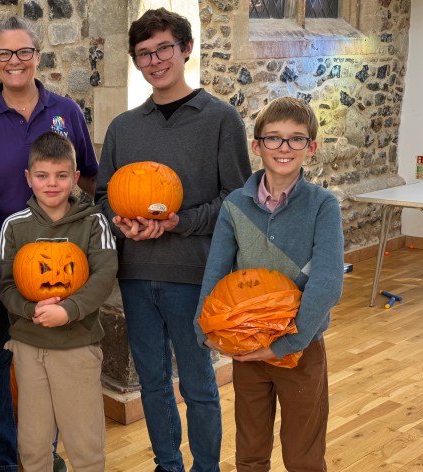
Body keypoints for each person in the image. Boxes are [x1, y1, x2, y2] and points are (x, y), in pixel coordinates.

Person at [95, 8, 252, 472]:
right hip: (137, 275)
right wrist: (122, 222)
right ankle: (168, 464)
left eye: (164, 48)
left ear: (185, 49)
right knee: (153, 382)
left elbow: (236, 201)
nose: (155, 60)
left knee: (200, 384)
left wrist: (179, 221)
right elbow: (105, 196)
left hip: (193, 274)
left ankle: (206, 467)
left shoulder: (221, 120)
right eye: (144, 54)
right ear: (136, 63)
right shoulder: (124, 128)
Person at [0, 16, 99, 472]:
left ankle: (47, 457)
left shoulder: (68, 112)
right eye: (4, 54)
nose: (15, 61)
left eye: (24, 52)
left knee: (55, 367)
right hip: (3, 269)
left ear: (38, 56)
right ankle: (3, 463)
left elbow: (89, 178)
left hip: (66, 268)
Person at [194, 97, 343, 472]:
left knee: (303, 454)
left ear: (311, 147)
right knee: (250, 450)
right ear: (256, 145)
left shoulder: (323, 206)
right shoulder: (235, 207)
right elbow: (216, 272)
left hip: (301, 349)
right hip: (247, 349)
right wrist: (204, 327)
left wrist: (288, 344)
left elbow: (327, 283)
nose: (284, 148)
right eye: (273, 138)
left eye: (296, 139)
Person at [0, 132, 117, 472]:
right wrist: (29, 309)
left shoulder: (94, 223)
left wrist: (69, 310)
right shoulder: (14, 227)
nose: (52, 184)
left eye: (62, 176)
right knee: (33, 445)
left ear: (75, 178)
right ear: (28, 178)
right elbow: (6, 286)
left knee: (85, 443)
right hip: (28, 347)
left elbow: (104, 277)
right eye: (42, 176)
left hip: (77, 347)